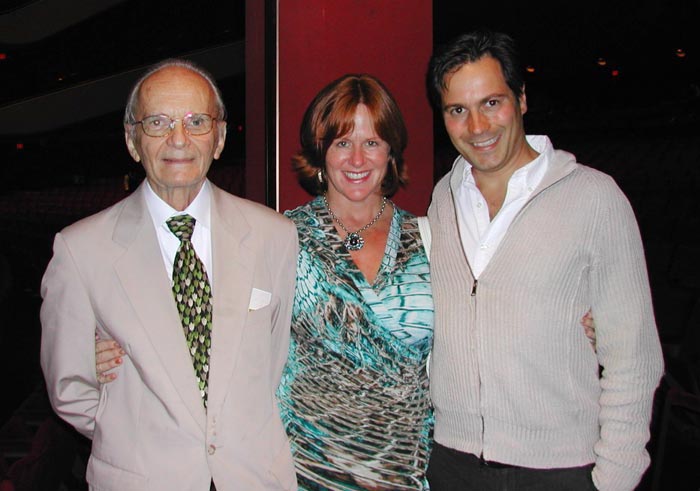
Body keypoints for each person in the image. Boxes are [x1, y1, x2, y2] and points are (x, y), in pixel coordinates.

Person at [40, 59, 299, 491]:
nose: (179, 139)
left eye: (196, 122)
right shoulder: (80, 250)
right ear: (132, 140)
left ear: (219, 138)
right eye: (158, 122)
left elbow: (276, 362)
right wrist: (129, 429)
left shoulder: (274, 235)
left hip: (255, 478)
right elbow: (70, 387)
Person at [424, 30, 664, 491]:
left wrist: (615, 476)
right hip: (451, 462)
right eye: (458, 110)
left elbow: (633, 356)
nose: (477, 126)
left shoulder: (594, 198)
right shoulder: (443, 199)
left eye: (492, 103)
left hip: (560, 468)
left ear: (521, 99)